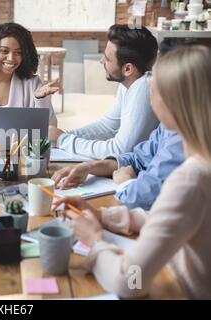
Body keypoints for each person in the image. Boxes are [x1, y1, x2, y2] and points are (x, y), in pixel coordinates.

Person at [52, 46, 211, 299]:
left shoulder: (190, 179)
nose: (148, 91)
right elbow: (170, 218)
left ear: (172, 101)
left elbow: (131, 281)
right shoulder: (199, 162)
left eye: (154, 86)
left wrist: (95, 240)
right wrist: (102, 216)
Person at [50, 24, 159, 159]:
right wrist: (64, 135)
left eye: (107, 59)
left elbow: (119, 150)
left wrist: (63, 140)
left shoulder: (143, 88)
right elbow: (108, 127)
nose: (101, 61)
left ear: (128, 69)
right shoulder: (129, 82)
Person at [51, 125, 184, 210]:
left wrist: (125, 182)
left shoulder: (182, 138)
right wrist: (89, 166)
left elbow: (140, 199)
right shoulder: (167, 126)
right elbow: (139, 159)